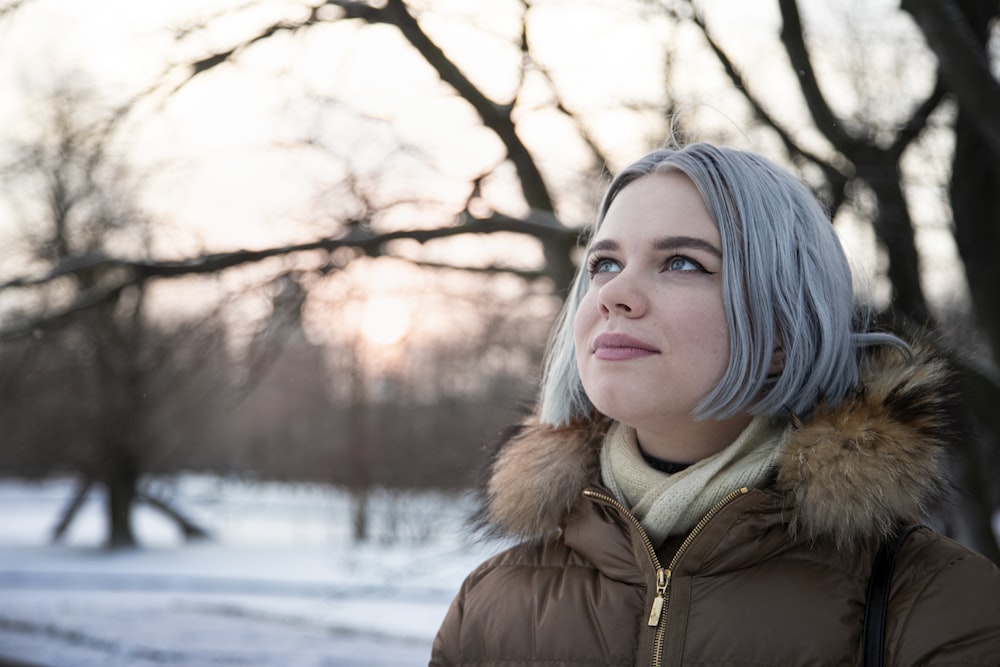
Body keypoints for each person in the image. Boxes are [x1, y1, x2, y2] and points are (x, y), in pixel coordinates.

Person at [429, 143, 1000, 666]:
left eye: (681, 262)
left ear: (784, 332)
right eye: (604, 263)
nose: (613, 295)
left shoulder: (937, 607)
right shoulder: (490, 607)